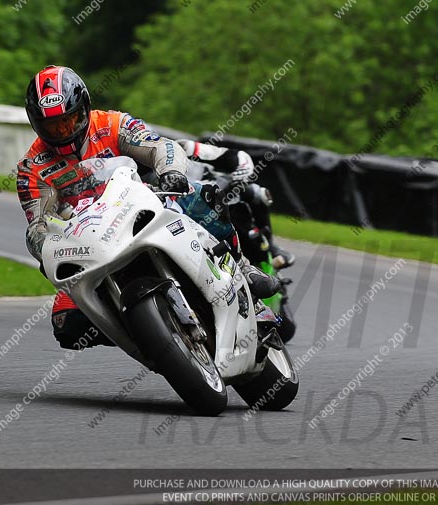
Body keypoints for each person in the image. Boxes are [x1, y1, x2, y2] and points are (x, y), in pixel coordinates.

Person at [17, 65, 279, 349]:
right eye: (52, 127)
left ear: (84, 108)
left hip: (142, 209)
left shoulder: (111, 124)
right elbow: (38, 222)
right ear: (36, 124)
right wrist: (44, 244)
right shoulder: (33, 170)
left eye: (68, 121)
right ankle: (147, 334)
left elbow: (159, 147)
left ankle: (243, 266)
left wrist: (171, 171)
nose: (63, 132)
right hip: (92, 244)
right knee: (66, 325)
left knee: (201, 195)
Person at [175, 139, 295, 269]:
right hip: (180, 212)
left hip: (214, 195)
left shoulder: (180, 147)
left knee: (256, 193)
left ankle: (269, 246)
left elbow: (234, 155)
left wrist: (241, 170)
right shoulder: (149, 173)